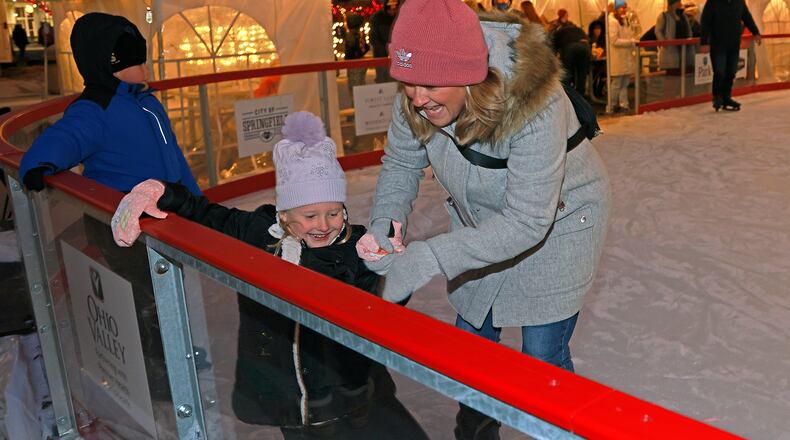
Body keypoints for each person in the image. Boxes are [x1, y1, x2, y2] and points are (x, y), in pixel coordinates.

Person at [356, 1, 611, 439]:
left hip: (559, 222)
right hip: (480, 220)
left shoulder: (535, 103)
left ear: (468, 75)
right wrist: (385, 224)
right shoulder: (417, 97)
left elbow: (530, 220)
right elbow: (400, 162)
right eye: (407, 83)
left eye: (432, 84)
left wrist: (429, 257)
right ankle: (475, 433)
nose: (417, 98)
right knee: (472, 342)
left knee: (540, 357)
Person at [112, 111, 428, 439]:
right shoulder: (260, 233)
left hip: (356, 392)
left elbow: (381, 302)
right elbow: (206, 215)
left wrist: (390, 268)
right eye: (309, 215)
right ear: (285, 212)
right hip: (289, 394)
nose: (323, 225)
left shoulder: (354, 245)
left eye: (333, 213)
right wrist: (157, 191)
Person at [18, 12, 202, 400]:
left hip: (164, 215)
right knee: (144, 295)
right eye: (136, 62)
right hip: (122, 225)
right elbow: (63, 140)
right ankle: (158, 367)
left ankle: (176, 347)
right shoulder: (94, 109)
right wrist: (38, 165)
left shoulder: (148, 103)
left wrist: (196, 201)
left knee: (171, 283)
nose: (145, 68)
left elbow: (174, 159)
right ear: (111, 66)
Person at [700, 0, 761, 111]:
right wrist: (704, 42)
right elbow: (705, 21)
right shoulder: (713, 2)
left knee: (731, 71)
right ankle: (717, 97)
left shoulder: (739, 2)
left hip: (733, 43)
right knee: (719, 71)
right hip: (718, 44)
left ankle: (726, 97)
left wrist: (755, 32)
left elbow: (747, 17)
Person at [655, 0, 693, 98]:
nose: (680, 4)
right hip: (671, 52)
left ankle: (682, 96)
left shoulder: (683, 16)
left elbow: (688, 30)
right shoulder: (664, 16)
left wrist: (690, 41)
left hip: (684, 51)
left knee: (684, 77)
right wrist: (665, 43)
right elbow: (658, 30)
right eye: (678, 2)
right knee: (672, 78)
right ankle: (669, 98)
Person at [608, 0, 638, 112]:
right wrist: (630, 42)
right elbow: (614, 40)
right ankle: (611, 106)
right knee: (617, 84)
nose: (624, 10)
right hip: (618, 58)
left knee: (624, 83)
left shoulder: (623, 21)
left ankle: (624, 104)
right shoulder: (612, 22)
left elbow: (629, 34)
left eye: (625, 8)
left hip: (625, 58)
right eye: (621, 8)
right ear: (616, 9)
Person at [552, 22, 592, 97]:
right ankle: (580, 96)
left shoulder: (559, 32)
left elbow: (553, 48)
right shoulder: (579, 29)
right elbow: (588, 40)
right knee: (582, 74)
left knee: (567, 73)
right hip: (585, 47)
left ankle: (568, 96)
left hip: (570, 48)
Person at [370, 0, 399, 83]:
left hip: (396, 55)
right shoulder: (377, 18)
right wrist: (386, 50)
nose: (392, 12)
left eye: (395, 9)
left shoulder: (399, 17)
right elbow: (373, 38)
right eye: (390, 9)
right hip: (381, 56)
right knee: (382, 80)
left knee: (395, 81)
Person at [344, 13, 370, 101]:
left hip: (353, 65)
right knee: (361, 86)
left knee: (354, 88)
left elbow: (350, 50)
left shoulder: (350, 36)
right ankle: (362, 107)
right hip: (361, 63)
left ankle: (356, 109)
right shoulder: (359, 35)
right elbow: (366, 48)